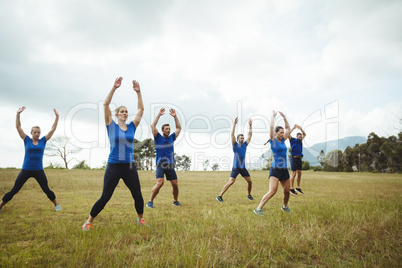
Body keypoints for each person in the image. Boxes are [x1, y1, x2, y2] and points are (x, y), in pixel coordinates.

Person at [82, 77, 148, 231]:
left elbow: (141, 110)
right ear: (117, 115)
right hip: (114, 165)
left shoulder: (132, 126)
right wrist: (114, 88)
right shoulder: (110, 126)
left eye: (126, 112)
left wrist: (139, 92)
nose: (125, 113)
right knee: (105, 197)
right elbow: (105, 105)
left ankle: (140, 219)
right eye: (122, 112)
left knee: (137, 195)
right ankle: (89, 221)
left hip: (129, 166)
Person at [0, 107, 61, 213]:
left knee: (46, 189)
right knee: (15, 190)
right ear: (31, 133)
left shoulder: (43, 141)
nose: (37, 134)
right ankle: (0, 205)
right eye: (35, 132)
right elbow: (18, 127)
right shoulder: (26, 139)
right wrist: (18, 114)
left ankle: (56, 204)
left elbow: (53, 129)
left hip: (38, 170)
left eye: (38, 132)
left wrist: (57, 117)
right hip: (26, 169)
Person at [254, 111, 291, 216]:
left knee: (287, 191)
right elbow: (271, 128)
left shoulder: (283, 141)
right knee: (272, 191)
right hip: (275, 169)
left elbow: (288, 128)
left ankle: (284, 207)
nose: (283, 134)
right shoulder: (273, 141)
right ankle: (258, 208)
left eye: (283, 133)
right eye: (281, 132)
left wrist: (284, 117)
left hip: (284, 169)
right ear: (276, 133)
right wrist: (273, 117)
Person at [146, 107, 182, 208]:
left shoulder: (171, 138)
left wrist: (175, 117)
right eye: (166, 129)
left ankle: (175, 201)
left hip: (170, 164)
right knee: (160, 183)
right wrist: (159, 115)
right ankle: (150, 202)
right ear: (162, 130)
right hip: (160, 164)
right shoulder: (158, 137)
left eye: (169, 129)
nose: (168, 131)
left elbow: (179, 128)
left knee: (175, 184)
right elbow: (152, 125)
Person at [216, 117, 254, 202]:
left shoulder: (244, 145)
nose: (242, 139)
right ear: (237, 139)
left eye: (243, 138)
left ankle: (249, 195)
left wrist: (250, 126)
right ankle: (219, 196)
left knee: (250, 182)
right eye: (241, 138)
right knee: (231, 181)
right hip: (236, 167)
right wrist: (234, 125)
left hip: (243, 168)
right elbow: (232, 135)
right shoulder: (235, 145)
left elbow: (250, 136)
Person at [289, 124, 306, 195]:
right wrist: (293, 128)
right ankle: (291, 188)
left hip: (299, 159)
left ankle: (298, 188)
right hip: (294, 159)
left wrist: (301, 129)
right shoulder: (292, 140)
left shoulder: (300, 141)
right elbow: (288, 134)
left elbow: (304, 134)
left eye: (301, 137)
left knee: (299, 174)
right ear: (296, 136)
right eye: (299, 137)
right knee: (294, 174)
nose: (301, 138)